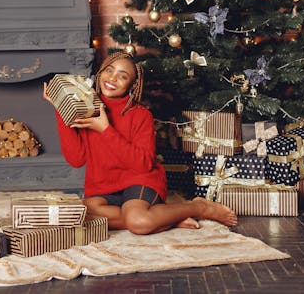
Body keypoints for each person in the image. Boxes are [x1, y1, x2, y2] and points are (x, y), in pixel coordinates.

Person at [43, 52, 237, 234]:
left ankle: (197, 207)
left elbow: (142, 164)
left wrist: (105, 130)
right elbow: (76, 159)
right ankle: (166, 217)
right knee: (80, 215)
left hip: (139, 180)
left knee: (138, 222)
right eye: (109, 70)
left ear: (132, 85)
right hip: (103, 187)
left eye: (122, 76)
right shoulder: (87, 108)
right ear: (100, 72)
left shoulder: (140, 115)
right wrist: (62, 111)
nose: (112, 79)